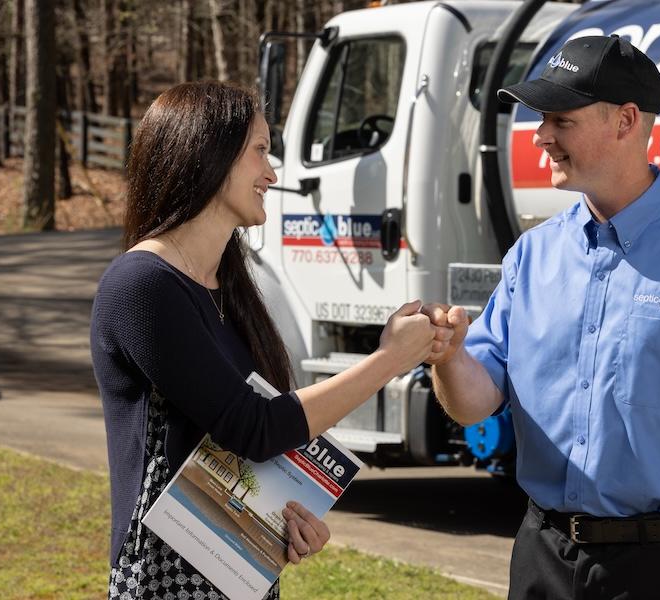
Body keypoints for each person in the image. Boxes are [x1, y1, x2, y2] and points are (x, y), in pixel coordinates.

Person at [423, 35, 660, 600]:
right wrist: (447, 356)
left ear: (626, 120)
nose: (541, 135)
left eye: (561, 118)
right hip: (540, 555)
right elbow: (476, 401)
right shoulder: (531, 255)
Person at [90, 81, 448, 600]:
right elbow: (254, 427)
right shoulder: (141, 285)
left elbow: (251, 436)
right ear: (207, 153)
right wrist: (390, 359)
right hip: (167, 576)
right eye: (260, 151)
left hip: (236, 569)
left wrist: (287, 516)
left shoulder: (226, 285)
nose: (273, 174)